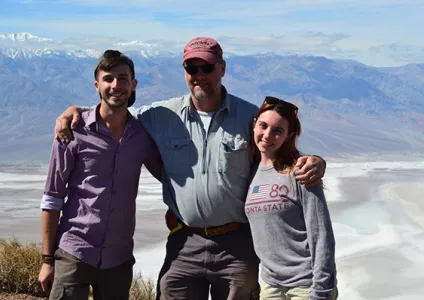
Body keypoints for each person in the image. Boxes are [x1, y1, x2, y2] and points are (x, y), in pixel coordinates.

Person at [54, 37, 327, 300]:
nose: (199, 75)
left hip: (237, 245)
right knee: (170, 289)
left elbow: (278, 146)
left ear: (221, 68)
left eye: (206, 67)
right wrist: (76, 110)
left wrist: (315, 161)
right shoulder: (162, 115)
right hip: (185, 241)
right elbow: (114, 108)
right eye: (191, 68)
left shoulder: (249, 117)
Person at [37, 50, 162, 300]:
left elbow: (168, 173)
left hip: (119, 258)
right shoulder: (72, 131)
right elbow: (52, 198)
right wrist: (47, 260)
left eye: (122, 78)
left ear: (133, 84)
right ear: (97, 86)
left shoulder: (142, 135)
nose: (116, 85)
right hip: (75, 252)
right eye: (108, 79)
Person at [246, 96, 337, 300]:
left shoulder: (301, 172)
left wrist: (320, 289)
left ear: (288, 136)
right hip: (271, 286)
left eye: (277, 131)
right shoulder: (247, 171)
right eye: (263, 126)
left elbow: (321, 234)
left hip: (306, 285)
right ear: (254, 125)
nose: (267, 135)